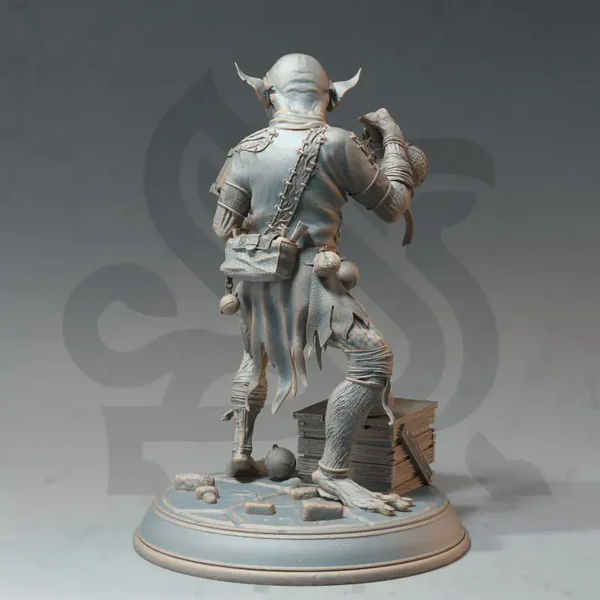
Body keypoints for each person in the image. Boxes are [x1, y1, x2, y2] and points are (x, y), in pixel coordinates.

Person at [211, 54, 422, 516]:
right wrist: (393, 140)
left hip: (255, 274)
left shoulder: (245, 149)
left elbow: (222, 226)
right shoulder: (338, 144)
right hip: (314, 275)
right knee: (372, 358)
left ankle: (241, 452)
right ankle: (334, 471)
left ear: (268, 94)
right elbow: (394, 205)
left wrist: (260, 233)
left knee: (254, 355)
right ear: (331, 97)